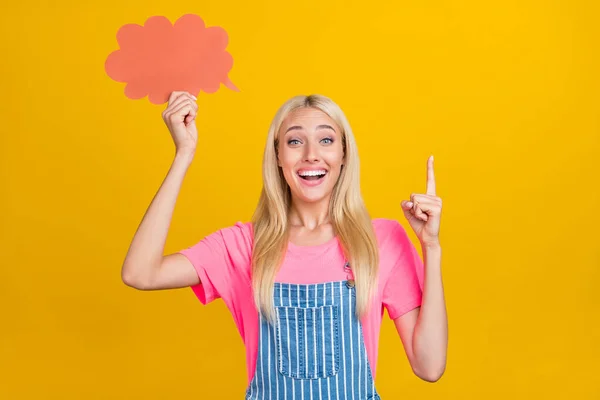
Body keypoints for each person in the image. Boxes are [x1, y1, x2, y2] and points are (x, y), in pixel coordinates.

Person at [121, 91, 448, 399]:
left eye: (326, 140)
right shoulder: (244, 245)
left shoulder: (380, 242)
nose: (311, 155)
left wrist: (430, 246)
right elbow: (141, 273)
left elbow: (429, 365)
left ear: (344, 153)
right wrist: (183, 154)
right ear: (277, 155)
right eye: (294, 141)